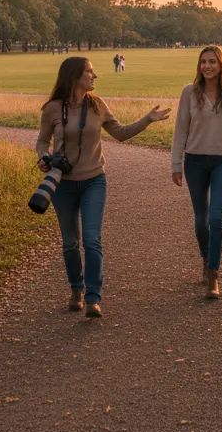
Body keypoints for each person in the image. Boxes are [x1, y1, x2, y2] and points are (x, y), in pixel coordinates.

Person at [37, 57, 170, 318]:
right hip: (62, 184)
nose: (94, 75)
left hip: (94, 180)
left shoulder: (97, 105)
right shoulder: (53, 108)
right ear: (75, 76)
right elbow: (43, 140)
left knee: (92, 239)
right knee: (70, 242)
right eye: (89, 71)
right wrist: (43, 156)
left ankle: (93, 298)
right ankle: (76, 288)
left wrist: (147, 120)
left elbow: (120, 133)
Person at [171, 45, 222, 300]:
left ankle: (214, 274)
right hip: (195, 161)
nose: (207, 66)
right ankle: (205, 259)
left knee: (217, 218)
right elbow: (180, 130)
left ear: (221, 64)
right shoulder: (189, 92)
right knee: (201, 219)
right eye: (203, 62)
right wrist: (176, 164)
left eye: (212, 61)